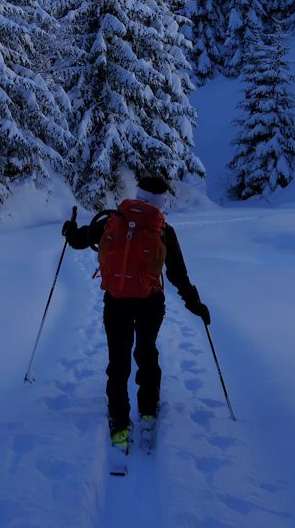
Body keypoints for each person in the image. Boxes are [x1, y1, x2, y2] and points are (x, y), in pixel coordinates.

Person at [62, 176, 210, 454]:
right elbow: (178, 274)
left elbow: (79, 240)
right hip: (150, 302)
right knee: (146, 352)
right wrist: (195, 303)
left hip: (115, 301)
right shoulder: (163, 229)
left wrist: (69, 230)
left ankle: (119, 422)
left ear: (138, 193)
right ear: (161, 200)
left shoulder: (113, 221)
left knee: (118, 358)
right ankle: (148, 410)